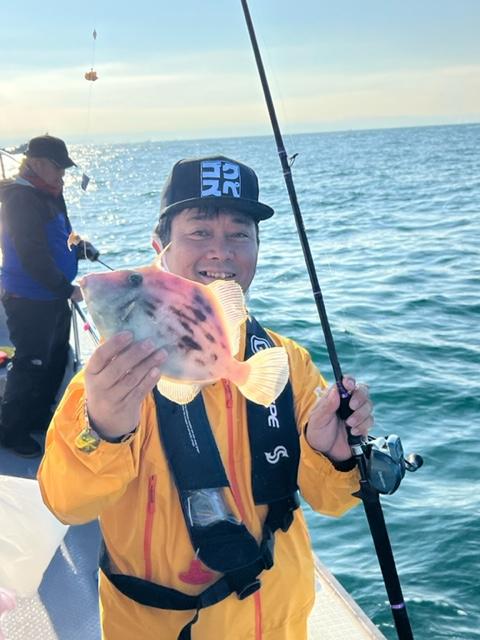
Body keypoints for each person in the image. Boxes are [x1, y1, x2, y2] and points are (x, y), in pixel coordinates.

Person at [38, 155, 374, 640]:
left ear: (257, 248)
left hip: (281, 619)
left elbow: (330, 499)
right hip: (160, 628)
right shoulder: (114, 376)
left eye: (240, 234)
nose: (221, 251)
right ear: (160, 247)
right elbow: (68, 504)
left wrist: (335, 454)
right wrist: (102, 429)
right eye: (199, 232)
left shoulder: (286, 360)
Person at [0, 134, 99, 457]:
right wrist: (66, 289)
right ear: (36, 163)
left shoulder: (51, 193)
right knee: (31, 362)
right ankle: (11, 431)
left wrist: (80, 248)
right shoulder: (20, 199)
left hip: (53, 298)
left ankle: (37, 416)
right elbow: (31, 254)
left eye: (64, 168)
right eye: (58, 167)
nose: (62, 174)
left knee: (55, 360)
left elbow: (62, 235)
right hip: (29, 299)